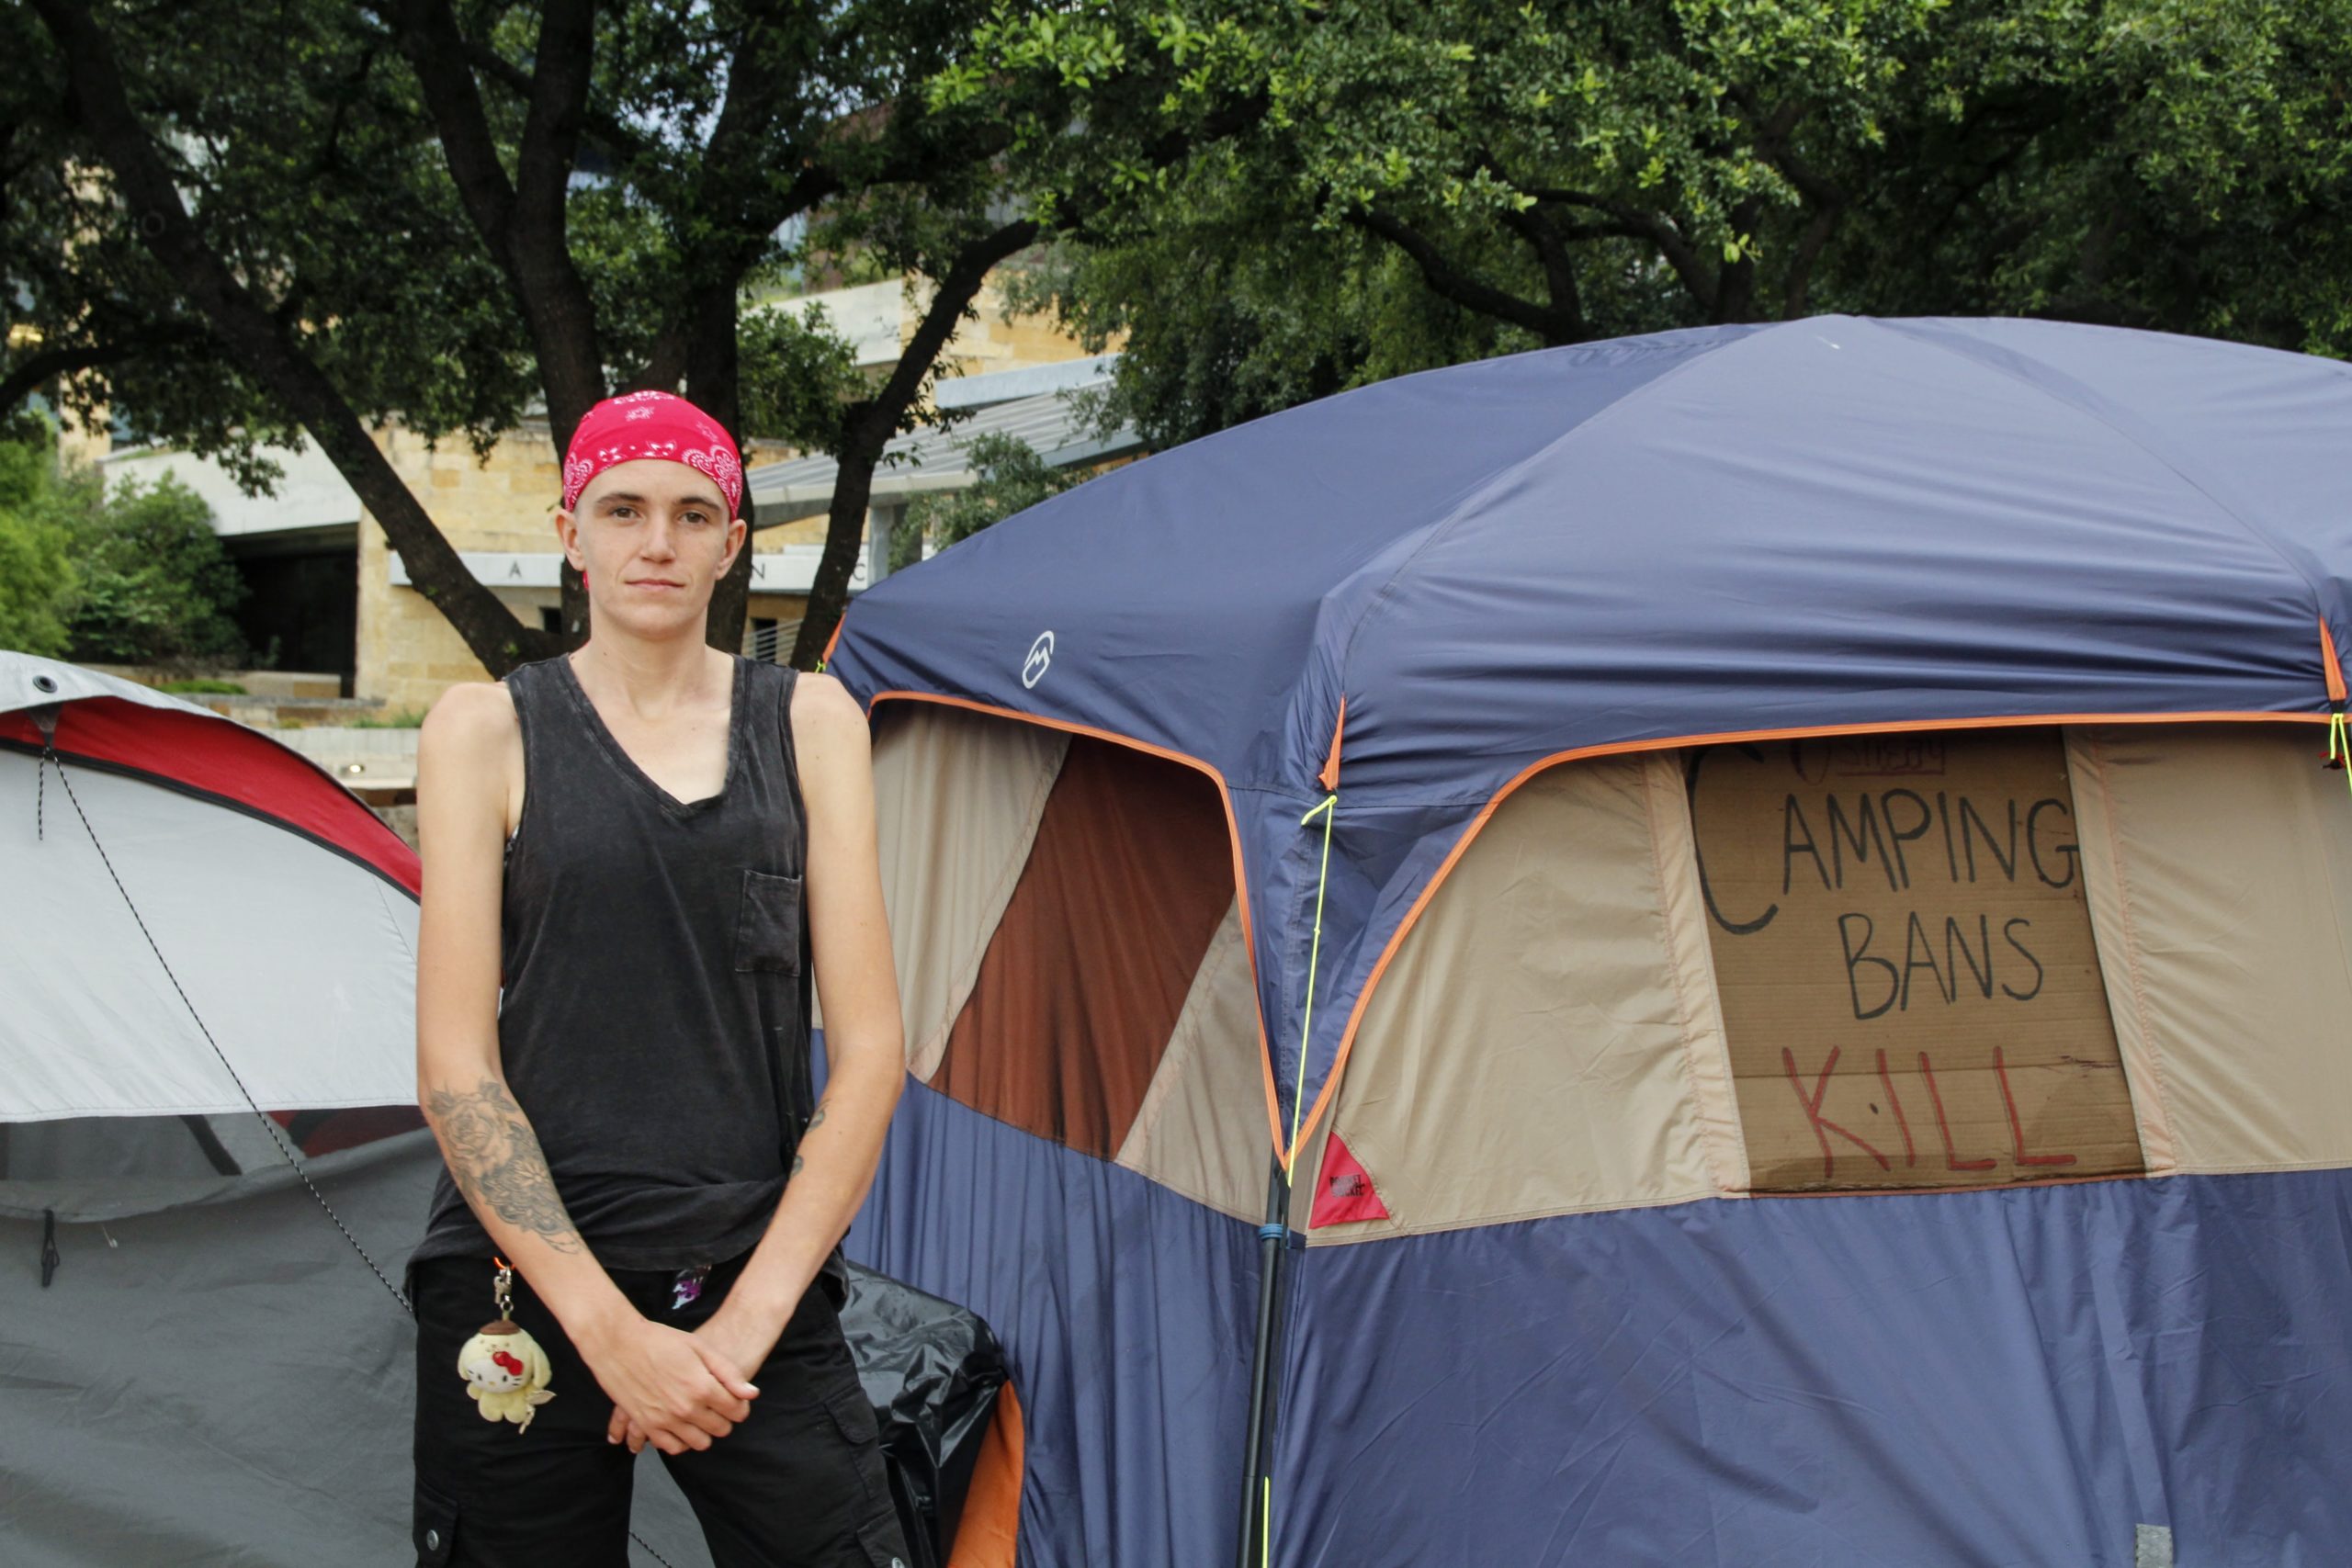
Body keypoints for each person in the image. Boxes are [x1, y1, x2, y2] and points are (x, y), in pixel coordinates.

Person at [405, 390, 911, 1567]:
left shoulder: (812, 721)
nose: (657, 542)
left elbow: (873, 1051)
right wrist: (604, 1331)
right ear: (570, 531)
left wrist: (734, 1337)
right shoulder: (484, 730)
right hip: (524, 1288)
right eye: (622, 509)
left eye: (693, 514)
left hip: (752, 1275)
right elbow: (454, 1066)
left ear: (733, 544)